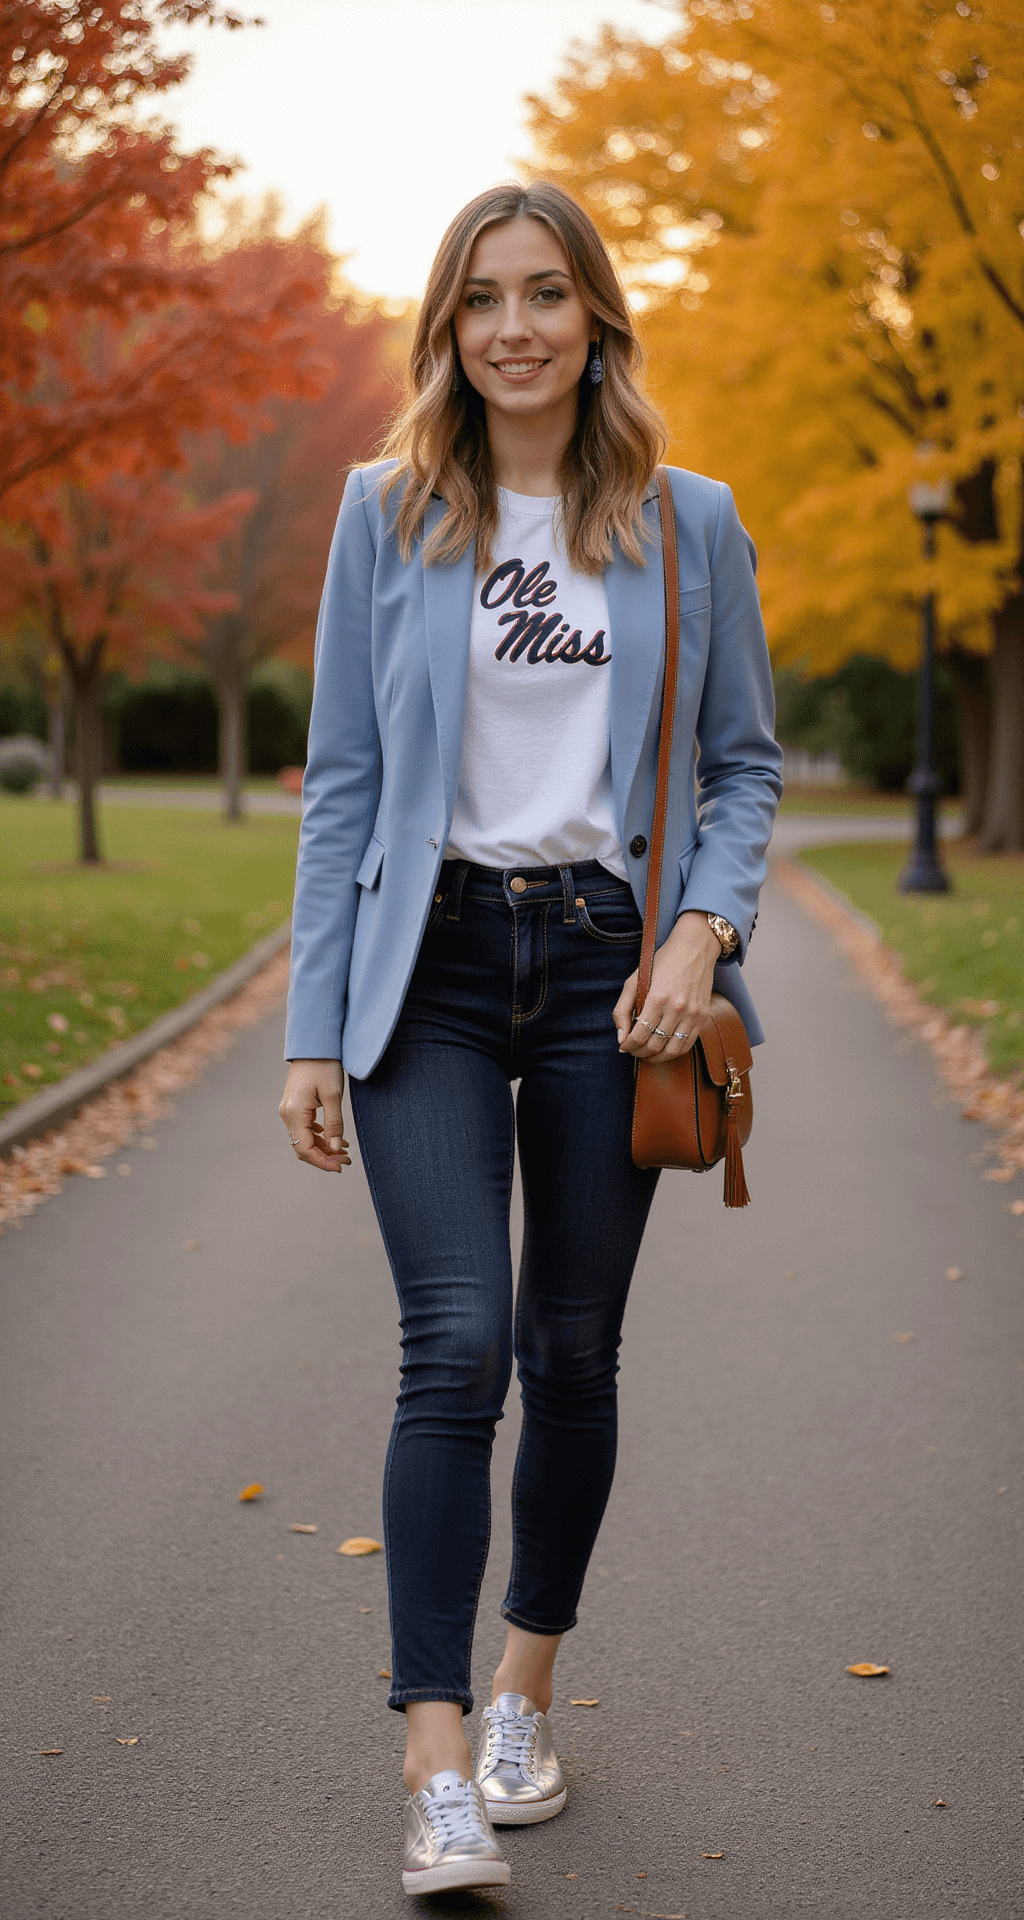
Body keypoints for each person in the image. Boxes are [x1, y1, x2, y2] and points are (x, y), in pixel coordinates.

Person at [279, 180, 782, 1897]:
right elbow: (343, 779)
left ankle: (521, 1691)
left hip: (606, 971)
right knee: (457, 1344)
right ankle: (432, 1762)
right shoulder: (388, 510)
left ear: (595, 318)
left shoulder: (686, 520)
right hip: (418, 967)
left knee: (573, 1352)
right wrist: (304, 1025)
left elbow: (746, 766)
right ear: (448, 325)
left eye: (545, 294)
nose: (513, 326)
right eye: (482, 297)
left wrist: (705, 929)